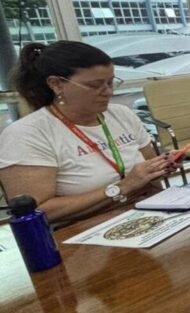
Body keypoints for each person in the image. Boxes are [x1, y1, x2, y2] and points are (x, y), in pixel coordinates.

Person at [0, 41, 177, 224]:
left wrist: (162, 167)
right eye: (95, 85)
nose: (108, 92)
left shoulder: (121, 115)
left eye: (110, 82)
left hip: (142, 212)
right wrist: (124, 186)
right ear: (57, 84)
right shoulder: (27, 134)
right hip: (80, 229)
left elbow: (150, 172)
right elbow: (36, 212)